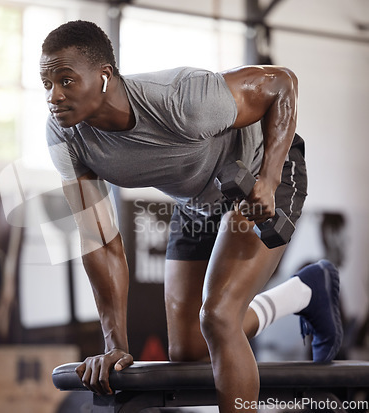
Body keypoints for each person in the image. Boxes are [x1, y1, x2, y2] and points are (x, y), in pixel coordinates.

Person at [40, 20, 343, 413]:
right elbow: (100, 239)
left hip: (257, 177)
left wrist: (267, 180)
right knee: (188, 349)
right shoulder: (65, 135)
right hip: (197, 201)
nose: (53, 96)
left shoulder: (181, 100)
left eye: (65, 81)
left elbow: (282, 84)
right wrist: (114, 346)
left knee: (218, 317)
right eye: (46, 84)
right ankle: (305, 291)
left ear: (103, 77)